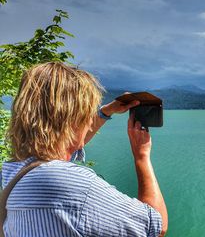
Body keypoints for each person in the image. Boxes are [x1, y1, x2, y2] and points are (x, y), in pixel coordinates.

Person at [1, 61, 168, 236]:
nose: (90, 122)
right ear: (72, 121)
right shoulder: (75, 185)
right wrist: (141, 156)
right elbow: (157, 226)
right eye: (87, 114)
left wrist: (105, 112)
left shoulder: (14, 171)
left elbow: (60, 151)